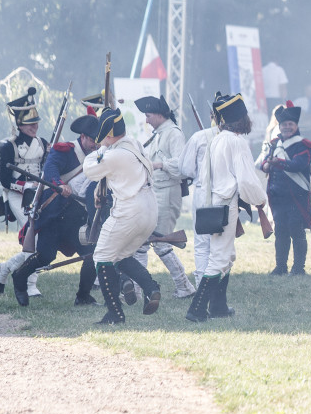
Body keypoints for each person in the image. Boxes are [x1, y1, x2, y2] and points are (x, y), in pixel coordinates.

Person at [186, 93, 268, 322]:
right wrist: (260, 200)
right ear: (241, 118)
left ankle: (219, 307)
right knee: (220, 258)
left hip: (213, 202)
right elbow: (247, 181)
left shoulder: (217, 139)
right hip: (226, 205)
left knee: (226, 255)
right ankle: (197, 309)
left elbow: (205, 176)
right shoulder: (236, 141)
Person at [9, 112, 101, 307]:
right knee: (46, 255)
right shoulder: (66, 150)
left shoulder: (98, 156)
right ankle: (19, 278)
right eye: (93, 140)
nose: (96, 144)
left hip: (76, 217)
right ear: (83, 137)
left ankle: (83, 296)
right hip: (55, 213)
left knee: (92, 254)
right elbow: (50, 169)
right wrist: (60, 185)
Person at [81, 107, 162, 325]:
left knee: (102, 257)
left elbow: (89, 169)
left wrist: (100, 149)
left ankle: (115, 314)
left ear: (107, 134)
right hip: (149, 208)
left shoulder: (113, 154)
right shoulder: (133, 143)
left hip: (130, 210)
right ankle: (150, 287)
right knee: (120, 255)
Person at [133, 95, 195, 298]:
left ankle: (184, 286)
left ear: (159, 115)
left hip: (168, 193)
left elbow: (182, 167)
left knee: (160, 242)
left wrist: (158, 165)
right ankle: (137, 289)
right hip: (155, 192)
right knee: (142, 241)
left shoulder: (173, 134)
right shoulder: (160, 133)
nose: (147, 120)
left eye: (149, 115)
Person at [0, 87, 47, 299]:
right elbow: (5, 179)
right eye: (30, 123)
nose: (35, 126)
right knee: (34, 236)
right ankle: (30, 284)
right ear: (20, 124)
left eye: (36, 122)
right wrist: (25, 187)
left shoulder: (42, 143)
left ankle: (3, 270)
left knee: (41, 239)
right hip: (17, 195)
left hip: (38, 193)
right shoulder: (9, 146)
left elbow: (47, 169)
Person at [257, 100, 311, 276]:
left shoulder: (303, 144)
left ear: (296, 126)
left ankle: (299, 268)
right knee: (280, 231)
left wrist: (278, 163)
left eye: (290, 124)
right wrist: (266, 165)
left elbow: (299, 164)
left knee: (296, 231)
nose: (287, 127)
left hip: (296, 195)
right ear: (279, 126)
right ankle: (281, 266)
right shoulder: (274, 143)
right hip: (277, 195)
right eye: (284, 124)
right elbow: (265, 161)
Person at [180, 92, 223, 286]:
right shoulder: (235, 139)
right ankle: (216, 285)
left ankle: (202, 286)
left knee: (202, 243)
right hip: (225, 196)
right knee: (221, 245)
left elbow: (186, 169)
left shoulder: (199, 137)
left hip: (202, 194)